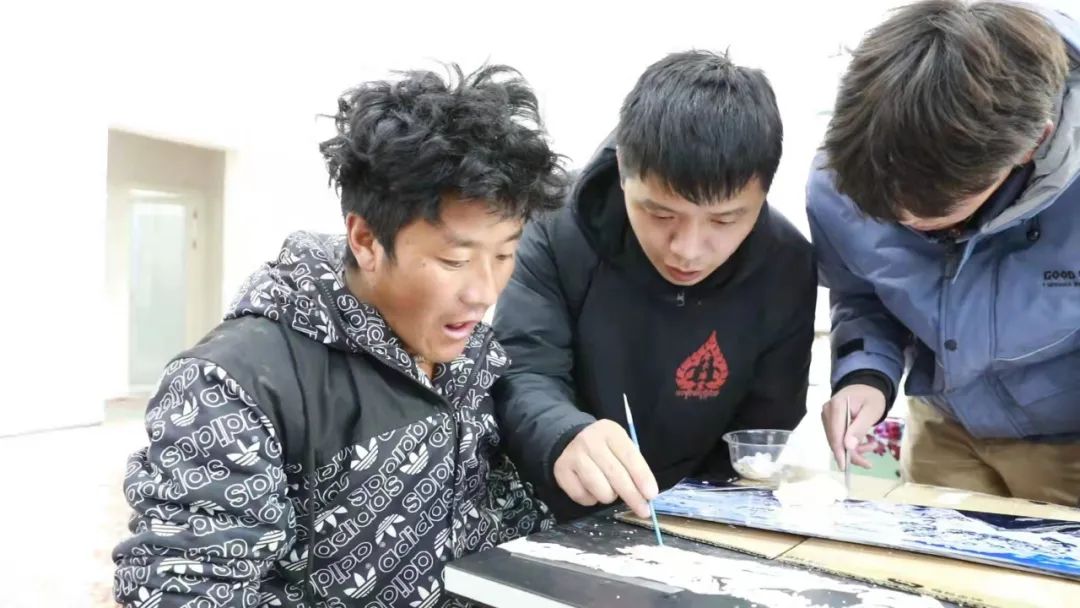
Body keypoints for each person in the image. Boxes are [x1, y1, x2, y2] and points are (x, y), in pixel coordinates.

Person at [113, 64, 565, 606]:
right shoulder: (234, 386)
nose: (484, 292)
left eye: (505, 255)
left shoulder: (475, 358)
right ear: (366, 240)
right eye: (454, 260)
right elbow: (179, 593)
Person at [493, 50, 817, 521]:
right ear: (624, 170)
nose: (687, 250)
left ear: (763, 191)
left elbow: (765, 425)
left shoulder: (786, 264)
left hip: (701, 513)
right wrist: (562, 432)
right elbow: (523, 369)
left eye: (724, 220)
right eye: (661, 214)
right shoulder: (554, 228)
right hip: (557, 502)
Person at [809, 0, 1080, 505]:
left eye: (934, 214)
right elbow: (864, 291)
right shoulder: (849, 166)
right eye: (887, 213)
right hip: (944, 427)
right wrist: (864, 375)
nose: (905, 219)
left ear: (1031, 146)